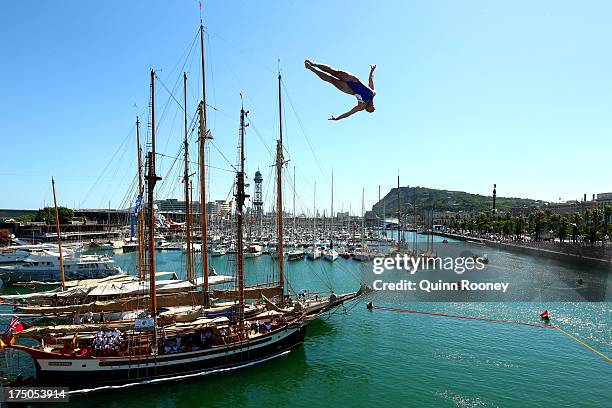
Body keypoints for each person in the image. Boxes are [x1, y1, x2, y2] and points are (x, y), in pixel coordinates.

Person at [305, 60, 376, 120]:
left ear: (366, 108)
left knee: (331, 80)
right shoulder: (373, 93)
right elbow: (370, 79)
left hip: (349, 89)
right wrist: (372, 70)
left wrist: (337, 118)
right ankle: (314, 64)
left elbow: (349, 113)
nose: (372, 105)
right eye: (373, 106)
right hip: (353, 79)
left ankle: (311, 69)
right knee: (333, 71)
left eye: (371, 108)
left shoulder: (361, 106)